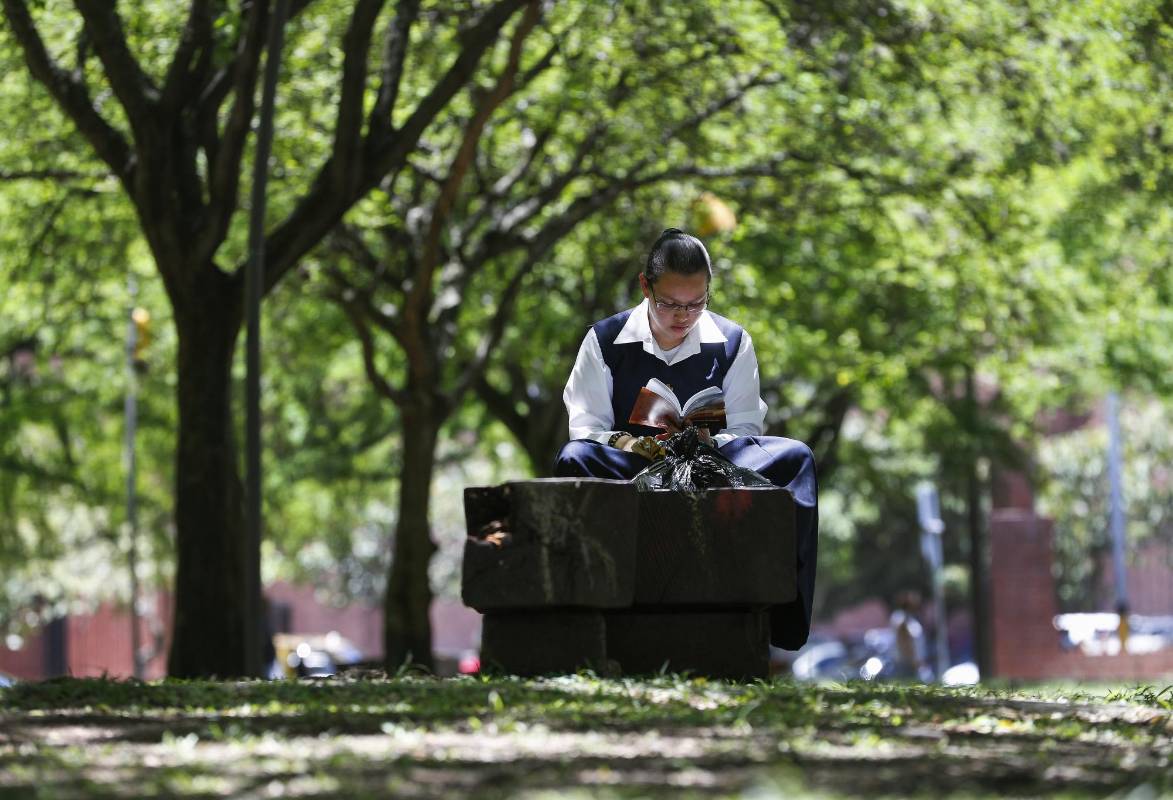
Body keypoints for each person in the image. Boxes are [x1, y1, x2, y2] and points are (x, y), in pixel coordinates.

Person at [553, 228, 818, 650]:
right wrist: (630, 443)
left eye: (697, 303)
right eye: (669, 304)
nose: (683, 316)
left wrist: (706, 441)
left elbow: (747, 429)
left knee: (795, 459)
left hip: (711, 466)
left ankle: (785, 619)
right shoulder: (605, 341)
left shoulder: (732, 341)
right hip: (636, 467)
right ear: (645, 285)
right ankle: (581, 607)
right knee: (573, 459)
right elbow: (586, 429)